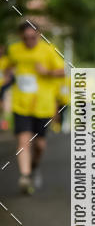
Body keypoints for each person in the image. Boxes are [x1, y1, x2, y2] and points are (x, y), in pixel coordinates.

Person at [3, 21, 64, 194]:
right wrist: (8, 74)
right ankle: (25, 176)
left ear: (38, 35)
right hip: (21, 105)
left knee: (40, 146)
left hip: (42, 106)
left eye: (33, 37)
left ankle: (34, 167)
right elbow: (8, 66)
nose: (29, 41)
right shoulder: (15, 50)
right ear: (20, 36)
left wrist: (47, 72)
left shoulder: (48, 50)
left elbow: (63, 71)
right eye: (25, 38)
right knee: (23, 141)